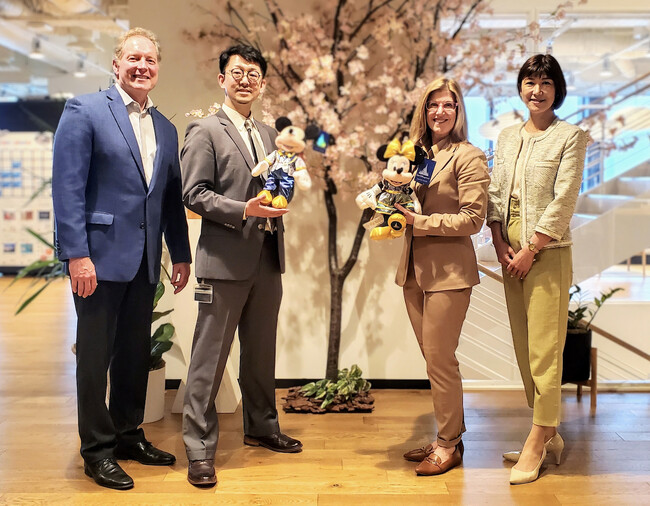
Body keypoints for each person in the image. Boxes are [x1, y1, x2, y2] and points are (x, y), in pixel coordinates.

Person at [51, 27, 191, 490]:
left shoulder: (166, 128)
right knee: (95, 359)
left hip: (145, 261)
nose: (142, 66)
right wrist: (77, 254)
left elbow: (168, 197)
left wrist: (180, 253)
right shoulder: (85, 110)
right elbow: (67, 188)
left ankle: (128, 434)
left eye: (150, 60)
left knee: (133, 354)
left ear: (158, 68)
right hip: (97, 260)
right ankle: (96, 450)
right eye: (133, 58)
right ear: (116, 65)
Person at [181, 44, 302, 488]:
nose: (245, 80)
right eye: (237, 72)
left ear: (263, 83)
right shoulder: (204, 130)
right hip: (224, 260)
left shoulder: (271, 135)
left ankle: (262, 427)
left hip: (268, 257)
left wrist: (283, 195)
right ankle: (198, 448)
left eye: (253, 73)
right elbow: (193, 193)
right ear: (222, 79)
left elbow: (280, 185)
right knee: (209, 358)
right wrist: (243, 209)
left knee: (261, 351)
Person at [487, 54, 588, 485]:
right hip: (509, 252)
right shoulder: (507, 137)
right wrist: (499, 242)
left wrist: (531, 248)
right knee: (524, 344)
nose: (537, 90)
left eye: (546, 83)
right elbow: (495, 192)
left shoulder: (570, 136)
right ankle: (547, 431)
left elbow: (565, 199)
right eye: (530, 81)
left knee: (545, 349)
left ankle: (538, 436)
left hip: (546, 252)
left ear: (557, 89)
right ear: (521, 87)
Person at [392, 77, 489, 475]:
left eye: (448, 104)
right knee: (433, 361)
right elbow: (407, 201)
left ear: (459, 111)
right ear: (424, 110)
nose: (440, 111)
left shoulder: (469, 156)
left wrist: (421, 222)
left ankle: (448, 444)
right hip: (414, 271)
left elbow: (473, 219)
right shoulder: (418, 155)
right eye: (433, 105)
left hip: (449, 273)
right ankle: (449, 437)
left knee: (440, 359)